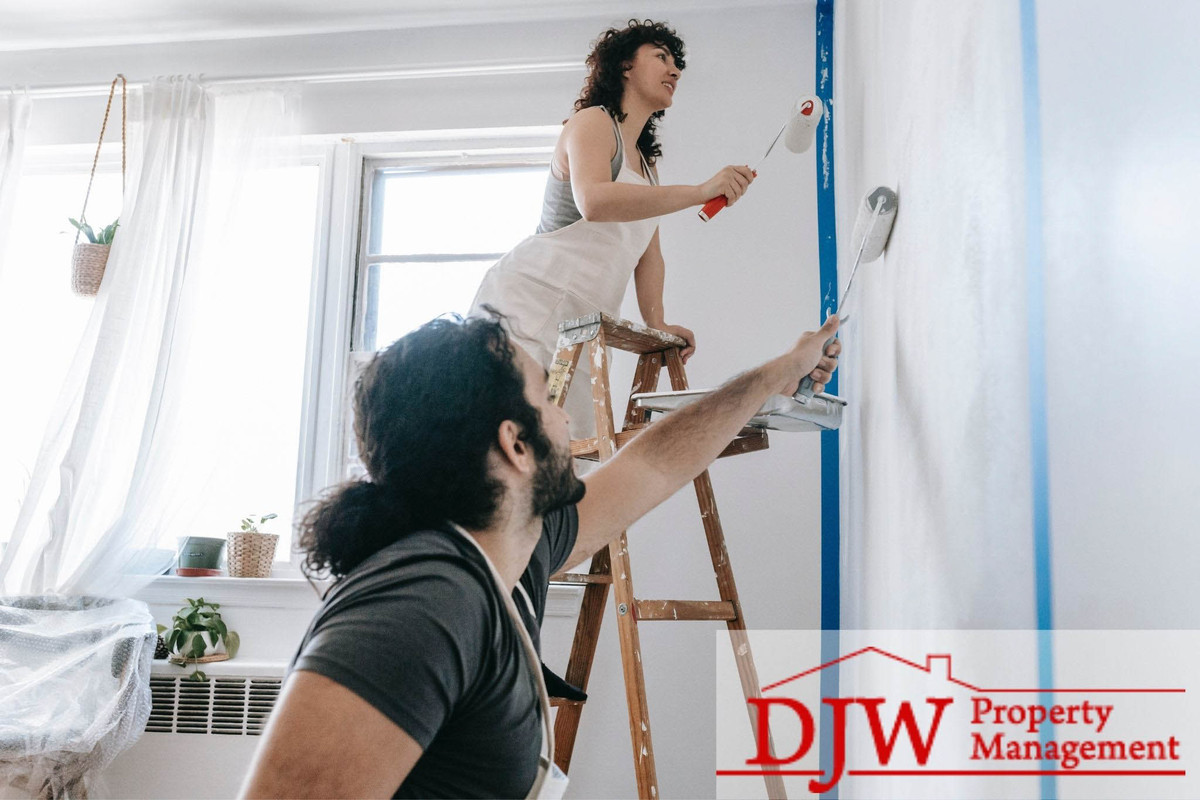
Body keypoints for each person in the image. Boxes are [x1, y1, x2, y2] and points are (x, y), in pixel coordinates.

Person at [240, 311, 841, 799]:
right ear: (516, 444)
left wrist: (775, 375)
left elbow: (653, 464)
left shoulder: (512, 551)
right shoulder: (421, 605)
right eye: (548, 398)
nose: (568, 414)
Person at [469, 19, 756, 435]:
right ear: (624, 65)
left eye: (677, 63)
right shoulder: (591, 123)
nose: (675, 71)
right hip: (532, 303)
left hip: (585, 326)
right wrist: (699, 191)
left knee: (567, 454)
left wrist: (656, 321)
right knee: (508, 438)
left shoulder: (647, 164)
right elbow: (595, 202)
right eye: (661, 57)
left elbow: (648, 255)